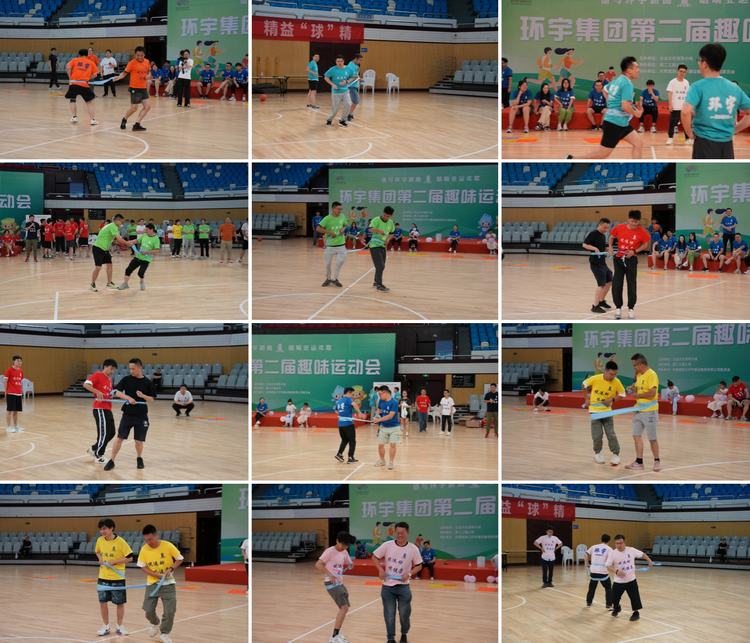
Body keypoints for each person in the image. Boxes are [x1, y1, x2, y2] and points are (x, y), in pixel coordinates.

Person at [682, 43, 750, 159]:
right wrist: (735, 130)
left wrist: (689, 133)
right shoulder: (734, 88)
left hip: (704, 143)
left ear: (704, 64)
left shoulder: (698, 87)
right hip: (727, 145)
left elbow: (685, 111)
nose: (698, 63)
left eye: (699, 60)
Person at [568, 57, 643, 160]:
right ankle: (573, 160)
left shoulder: (617, 81)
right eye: (636, 68)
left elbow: (605, 89)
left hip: (622, 123)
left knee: (638, 143)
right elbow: (625, 106)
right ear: (629, 70)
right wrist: (637, 113)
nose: (638, 70)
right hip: (615, 124)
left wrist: (611, 103)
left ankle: (635, 167)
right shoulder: (627, 84)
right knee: (602, 154)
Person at [373, 522, 423, 643]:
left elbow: (419, 565)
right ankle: (390, 638)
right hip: (387, 587)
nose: (400, 535)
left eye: (402, 533)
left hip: (403, 587)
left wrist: (409, 574)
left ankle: (404, 633)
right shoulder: (387, 545)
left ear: (408, 532)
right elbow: (374, 557)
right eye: (398, 533)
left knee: (404, 614)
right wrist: (380, 569)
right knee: (389, 614)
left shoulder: (413, 548)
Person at [103, 358, 156, 471]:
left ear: (140, 367)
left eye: (133, 369)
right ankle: (112, 460)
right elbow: (116, 392)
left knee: (138, 441)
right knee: (119, 438)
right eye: (130, 369)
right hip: (127, 414)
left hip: (141, 415)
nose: (131, 371)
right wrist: (128, 398)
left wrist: (143, 396)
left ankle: (139, 458)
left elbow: (152, 399)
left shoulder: (148, 382)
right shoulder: (126, 379)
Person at [137, 524, 184, 643]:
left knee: (170, 611)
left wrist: (171, 569)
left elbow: (179, 558)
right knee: (148, 611)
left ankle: (165, 633)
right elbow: (143, 566)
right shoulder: (144, 549)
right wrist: (155, 575)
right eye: (146, 540)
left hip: (168, 584)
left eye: (150, 539)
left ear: (156, 535)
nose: (149, 542)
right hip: (152, 584)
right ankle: (155, 623)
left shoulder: (167, 545)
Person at [608, 210, 651, 320]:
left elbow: (646, 245)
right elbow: (612, 236)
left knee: (631, 284)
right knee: (617, 284)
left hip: (631, 260)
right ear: (628, 219)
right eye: (632, 221)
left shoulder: (642, 232)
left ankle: (631, 308)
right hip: (618, 259)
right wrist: (610, 247)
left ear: (639, 221)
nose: (633, 224)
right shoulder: (619, 227)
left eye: (636, 222)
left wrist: (635, 251)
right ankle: (618, 308)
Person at [95, 518, 133, 637]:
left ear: (111, 528)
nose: (102, 531)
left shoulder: (121, 541)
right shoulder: (100, 540)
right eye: (101, 529)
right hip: (103, 577)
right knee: (103, 602)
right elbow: (98, 551)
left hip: (117, 578)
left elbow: (130, 558)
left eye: (104, 529)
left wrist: (115, 561)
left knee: (119, 603)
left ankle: (120, 626)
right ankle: (106, 626)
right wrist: (100, 559)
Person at [316, 531, 357, 643]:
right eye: (343, 544)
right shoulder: (329, 551)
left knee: (345, 608)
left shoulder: (344, 551)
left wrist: (350, 565)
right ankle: (334, 637)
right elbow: (318, 564)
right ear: (337, 541)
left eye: (347, 545)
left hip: (340, 583)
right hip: (331, 583)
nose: (344, 547)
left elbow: (349, 563)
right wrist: (330, 574)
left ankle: (337, 634)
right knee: (344, 608)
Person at [583, 360, 625, 465]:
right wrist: (587, 398)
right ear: (605, 371)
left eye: (615, 374)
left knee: (611, 434)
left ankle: (616, 454)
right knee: (597, 435)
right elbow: (584, 384)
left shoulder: (616, 381)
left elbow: (622, 394)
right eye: (611, 374)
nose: (613, 376)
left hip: (607, 412)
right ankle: (597, 453)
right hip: (595, 412)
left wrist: (612, 400)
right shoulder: (595, 378)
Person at [625, 353, 661, 472]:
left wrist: (637, 395)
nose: (634, 367)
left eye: (635, 365)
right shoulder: (639, 375)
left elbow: (652, 393)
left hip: (649, 411)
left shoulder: (652, 374)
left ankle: (657, 461)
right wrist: (632, 388)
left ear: (640, 364)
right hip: (638, 410)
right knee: (636, 436)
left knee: (652, 438)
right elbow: (638, 387)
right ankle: (639, 462)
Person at [606, 534, 653, 621]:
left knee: (634, 597)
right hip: (618, 581)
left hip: (631, 580)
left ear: (624, 542)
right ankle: (617, 608)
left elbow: (642, 554)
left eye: (621, 543)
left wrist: (649, 560)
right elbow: (608, 566)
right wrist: (616, 571)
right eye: (617, 543)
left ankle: (636, 613)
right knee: (614, 598)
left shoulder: (631, 550)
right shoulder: (612, 553)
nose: (619, 545)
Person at [83, 359, 118, 464]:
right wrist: (97, 392)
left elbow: (107, 392)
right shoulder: (98, 375)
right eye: (111, 369)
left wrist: (111, 395)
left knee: (111, 432)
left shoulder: (109, 379)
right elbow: (86, 384)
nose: (112, 371)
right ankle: (98, 455)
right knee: (104, 433)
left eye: (114, 370)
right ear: (105, 366)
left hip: (108, 408)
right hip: (100, 408)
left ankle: (94, 448)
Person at [113, 46, 151, 131]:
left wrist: (148, 76)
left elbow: (149, 72)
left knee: (147, 107)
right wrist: (119, 77)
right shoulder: (132, 63)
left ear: (144, 55)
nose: (139, 57)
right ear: (135, 55)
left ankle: (137, 124)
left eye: (141, 55)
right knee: (134, 108)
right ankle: (124, 119)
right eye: (138, 55)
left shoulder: (147, 62)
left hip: (143, 88)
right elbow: (124, 73)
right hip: (135, 88)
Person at [116, 223, 160, 291]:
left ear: (151, 230)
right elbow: (137, 241)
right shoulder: (144, 235)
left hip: (146, 259)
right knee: (128, 269)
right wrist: (127, 242)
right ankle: (125, 284)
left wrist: (146, 252)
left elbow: (157, 250)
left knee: (140, 273)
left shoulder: (156, 239)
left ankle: (142, 281)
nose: (145, 231)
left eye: (147, 229)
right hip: (138, 257)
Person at [582, 217, 613, 313]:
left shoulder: (603, 236)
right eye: (604, 227)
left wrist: (607, 249)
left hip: (602, 263)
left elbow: (602, 247)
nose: (606, 230)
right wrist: (594, 248)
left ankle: (601, 301)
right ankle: (595, 306)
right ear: (599, 225)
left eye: (607, 228)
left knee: (609, 280)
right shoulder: (593, 234)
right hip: (595, 263)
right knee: (601, 284)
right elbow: (584, 245)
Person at [317, 202, 348, 287]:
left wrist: (343, 229)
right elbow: (318, 228)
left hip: (341, 245)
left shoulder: (342, 216)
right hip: (330, 246)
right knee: (327, 264)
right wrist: (329, 232)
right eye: (338, 209)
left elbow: (345, 224)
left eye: (341, 209)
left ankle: (335, 279)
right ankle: (328, 278)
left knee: (340, 262)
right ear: (333, 209)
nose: (340, 211)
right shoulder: (327, 218)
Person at [64, 48, 98, 126]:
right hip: (84, 84)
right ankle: (93, 120)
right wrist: (88, 78)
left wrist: (70, 78)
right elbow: (95, 74)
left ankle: (74, 117)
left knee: (72, 100)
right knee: (89, 102)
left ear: (79, 54)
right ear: (87, 54)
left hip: (74, 83)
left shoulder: (74, 60)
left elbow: (67, 67)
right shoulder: (91, 62)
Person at [372, 385, 401, 470]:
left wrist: (379, 419)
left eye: (380, 394)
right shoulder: (381, 400)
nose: (379, 396)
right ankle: (382, 460)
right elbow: (379, 410)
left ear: (385, 393)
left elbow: (390, 416)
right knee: (380, 445)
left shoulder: (394, 402)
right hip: (383, 427)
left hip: (394, 427)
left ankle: (391, 462)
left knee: (393, 444)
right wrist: (376, 416)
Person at [369, 206, 396, 292]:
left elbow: (392, 233)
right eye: (385, 215)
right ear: (383, 213)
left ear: (391, 216)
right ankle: (379, 285)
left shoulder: (391, 222)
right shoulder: (376, 220)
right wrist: (379, 231)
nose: (386, 217)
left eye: (388, 216)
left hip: (383, 246)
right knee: (380, 266)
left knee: (381, 266)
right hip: (374, 245)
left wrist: (388, 240)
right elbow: (370, 229)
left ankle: (375, 282)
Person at [585, 534, 613, 608]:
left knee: (592, 587)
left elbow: (586, 554)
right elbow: (611, 561)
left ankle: (588, 602)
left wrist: (587, 564)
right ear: (609, 540)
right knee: (608, 588)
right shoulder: (609, 549)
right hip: (603, 571)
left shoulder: (594, 547)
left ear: (601, 539)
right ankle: (609, 604)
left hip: (593, 571)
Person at [324, 55, 352, 127]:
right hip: (336, 92)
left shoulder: (348, 69)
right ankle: (329, 120)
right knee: (335, 109)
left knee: (348, 104)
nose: (339, 62)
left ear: (343, 61)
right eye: (338, 61)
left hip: (345, 91)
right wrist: (332, 84)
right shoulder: (332, 69)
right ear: (336, 62)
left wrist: (347, 81)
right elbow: (326, 77)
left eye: (341, 61)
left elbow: (354, 77)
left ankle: (343, 120)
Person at [666, 64, 690, 145]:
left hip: (684, 107)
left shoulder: (686, 82)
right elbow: (670, 93)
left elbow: (688, 95)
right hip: (675, 107)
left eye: (684, 72)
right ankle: (670, 138)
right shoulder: (672, 82)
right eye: (681, 71)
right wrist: (670, 104)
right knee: (672, 123)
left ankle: (687, 139)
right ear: (677, 71)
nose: (682, 73)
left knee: (686, 124)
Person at [2, 355, 24, 433]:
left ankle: (15, 426)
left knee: (16, 411)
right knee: (9, 410)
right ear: (13, 361)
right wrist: (6, 391)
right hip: (11, 393)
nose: (19, 362)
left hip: (18, 394)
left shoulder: (21, 371)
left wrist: (21, 391)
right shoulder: (9, 370)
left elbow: (20, 382)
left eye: (20, 361)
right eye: (18, 361)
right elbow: (5, 381)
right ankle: (8, 427)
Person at [345, 53, 363, 122]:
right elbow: (350, 76)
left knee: (355, 101)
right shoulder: (350, 66)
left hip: (354, 86)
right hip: (351, 86)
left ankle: (350, 113)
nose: (360, 62)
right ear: (355, 59)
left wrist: (359, 78)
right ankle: (349, 114)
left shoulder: (356, 66)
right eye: (360, 60)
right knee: (356, 101)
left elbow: (355, 76)